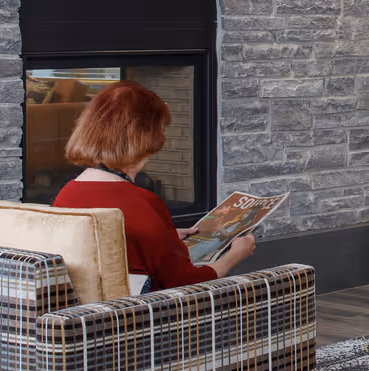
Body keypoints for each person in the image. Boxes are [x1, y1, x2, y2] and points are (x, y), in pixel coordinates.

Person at [53, 80, 255, 291]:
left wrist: (161, 236)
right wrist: (234, 256)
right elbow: (184, 283)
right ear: (146, 136)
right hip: (148, 315)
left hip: (93, 314)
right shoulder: (142, 202)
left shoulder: (66, 194)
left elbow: (106, 246)